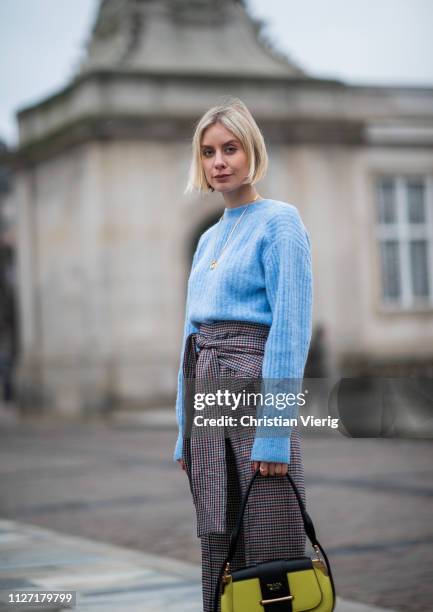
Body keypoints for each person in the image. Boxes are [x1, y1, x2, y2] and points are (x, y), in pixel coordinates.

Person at [173, 97, 313, 612]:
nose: (219, 162)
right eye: (209, 152)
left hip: (254, 392)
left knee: (271, 538)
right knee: (218, 538)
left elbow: (291, 332)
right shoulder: (208, 238)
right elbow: (190, 338)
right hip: (206, 392)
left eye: (230, 148)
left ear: (252, 149)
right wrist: (183, 429)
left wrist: (274, 433)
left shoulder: (280, 221)